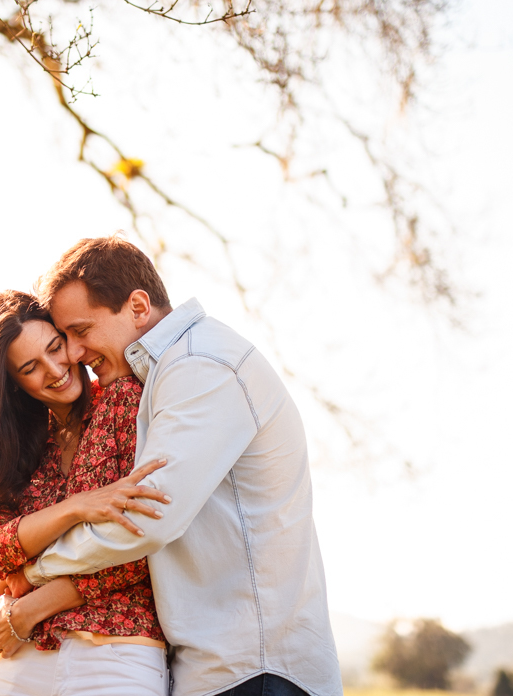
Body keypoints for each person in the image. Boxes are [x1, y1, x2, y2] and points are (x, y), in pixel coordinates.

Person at [23, 236, 343, 696]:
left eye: (81, 331)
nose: (73, 354)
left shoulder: (200, 364)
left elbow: (149, 513)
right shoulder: (173, 369)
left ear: (137, 307)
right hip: (225, 670)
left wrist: (36, 572)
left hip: (256, 671)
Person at [0, 290, 174, 696]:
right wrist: (75, 509)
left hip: (116, 651)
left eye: (56, 347)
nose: (56, 369)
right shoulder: (22, 448)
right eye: (31, 367)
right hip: (25, 655)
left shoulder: (122, 401)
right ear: (13, 385)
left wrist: (30, 595)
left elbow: (139, 543)